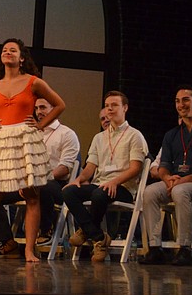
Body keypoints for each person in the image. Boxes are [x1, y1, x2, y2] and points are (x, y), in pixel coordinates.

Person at [0, 38, 65, 262]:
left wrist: (39, 125)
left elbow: (59, 104)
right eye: (4, 50)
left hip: (25, 138)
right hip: (3, 139)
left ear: (21, 58)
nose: (7, 52)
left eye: (13, 50)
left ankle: (29, 250)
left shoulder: (33, 82)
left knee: (31, 195)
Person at [0, 96, 80, 258]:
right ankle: (7, 241)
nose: (39, 112)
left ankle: (46, 229)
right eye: (37, 109)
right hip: (24, 182)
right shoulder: (30, 132)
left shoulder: (66, 134)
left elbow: (65, 168)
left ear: (54, 109)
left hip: (54, 183)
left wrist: (36, 177)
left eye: (43, 108)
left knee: (39, 185)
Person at [62, 90, 147, 262]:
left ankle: (86, 232)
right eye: (107, 106)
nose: (109, 109)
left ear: (125, 108)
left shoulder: (134, 135)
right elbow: (90, 167)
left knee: (98, 193)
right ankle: (99, 237)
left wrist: (115, 181)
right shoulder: (99, 137)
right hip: (101, 184)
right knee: (69, 192)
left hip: (123, 186)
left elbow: (135, 168)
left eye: (114, 105)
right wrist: (79, 179)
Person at [141, 85, 192, 266]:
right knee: (149, 192)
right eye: (177, 101)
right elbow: (163, 166)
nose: (181, 105)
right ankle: (155, 248)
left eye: (186, 100)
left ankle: (184, 249)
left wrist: (186, 179)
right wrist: (167, 178)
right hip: (175, 182)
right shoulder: (171, 134)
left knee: (181, 191)